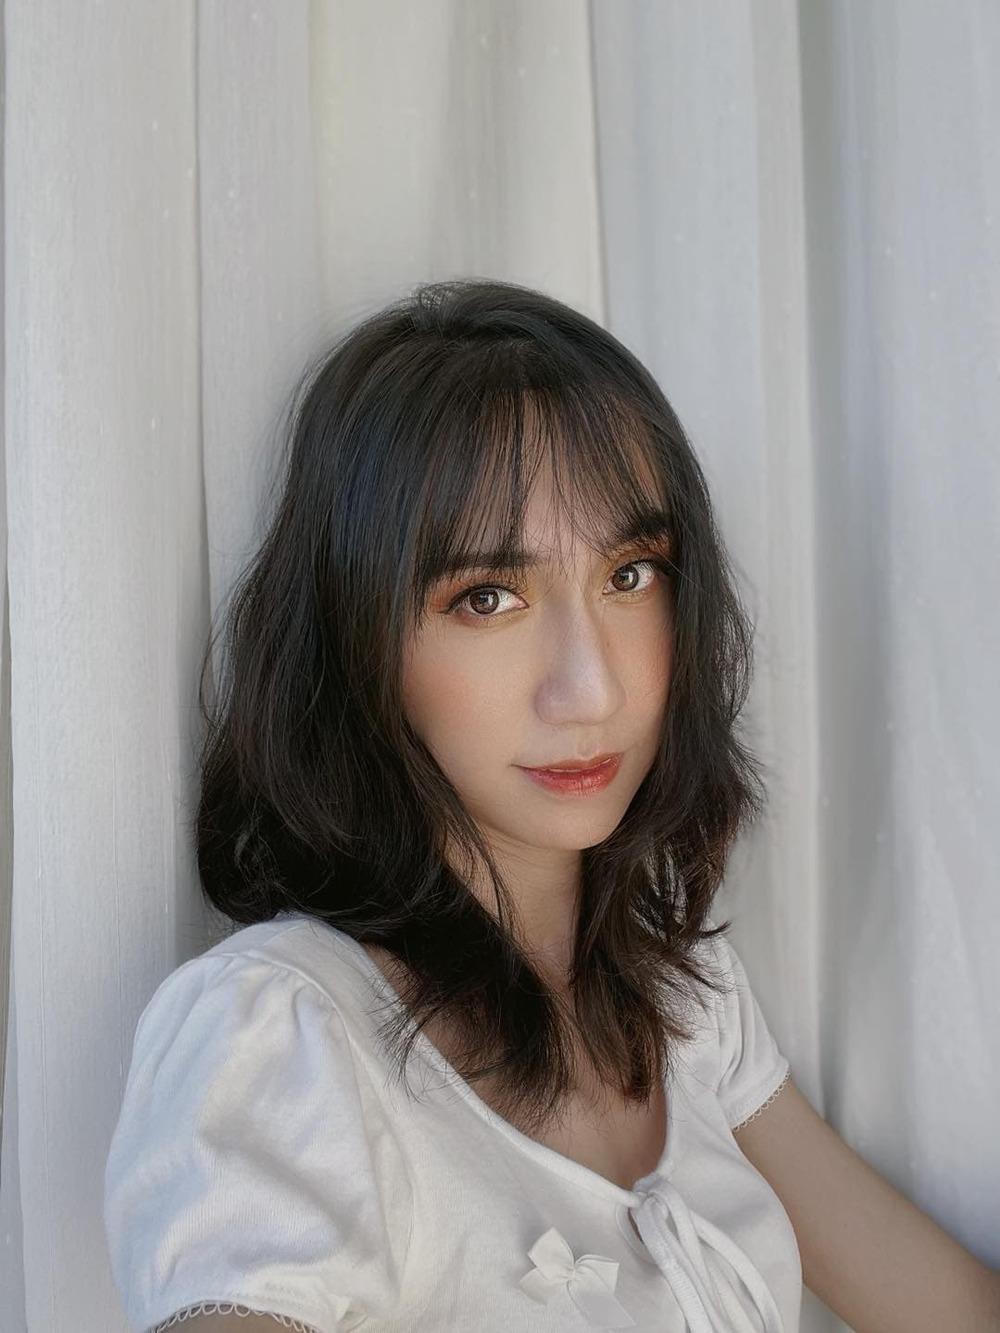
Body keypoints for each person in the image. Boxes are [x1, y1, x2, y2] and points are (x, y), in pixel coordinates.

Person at [103, 279, 1000, 1332]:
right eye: (488, 598)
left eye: (631, 575)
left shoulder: (683, 998)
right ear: (357, 641)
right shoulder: (284, 1034)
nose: (593, 688)